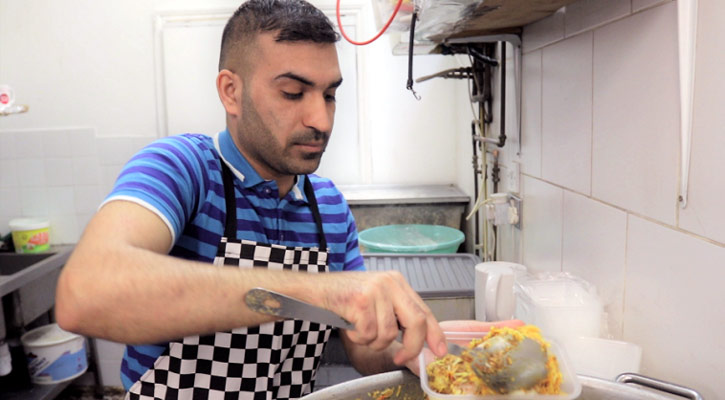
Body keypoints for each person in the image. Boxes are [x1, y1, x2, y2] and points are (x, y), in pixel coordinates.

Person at [54, 0, 449, 398]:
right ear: (231, 92)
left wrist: (421, 355)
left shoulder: (329, 206)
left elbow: (361, 346)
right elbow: (85, 293)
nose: (322, 120)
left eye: (329, 95)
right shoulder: (183, 169)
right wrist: (322, 290)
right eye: (293, 93)